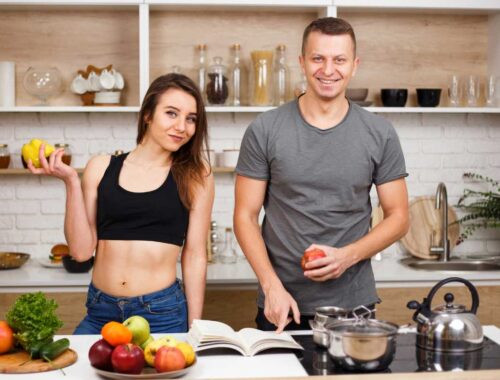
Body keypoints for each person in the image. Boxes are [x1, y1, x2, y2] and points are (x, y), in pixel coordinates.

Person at [234, 17, 409, 332]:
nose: (328, 70)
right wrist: (270, 285)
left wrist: (347, 256)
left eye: (339, 59)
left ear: (354, 65)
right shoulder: (265, 129)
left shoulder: (380, 133)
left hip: (353, 305)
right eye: (318, 58)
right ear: (302, 62)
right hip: (282, 303)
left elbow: (398, 217)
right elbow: (245, 216)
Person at [28, 73, 214, 334]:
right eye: (171, 113)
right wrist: (71, 181)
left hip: (161, 313)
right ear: (148, 114)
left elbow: (195, 255)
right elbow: (81, 252)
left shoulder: (196, 175)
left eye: (191, 119)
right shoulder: (101, 167)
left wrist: (195, 327)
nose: (182, 126)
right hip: (100, 311)